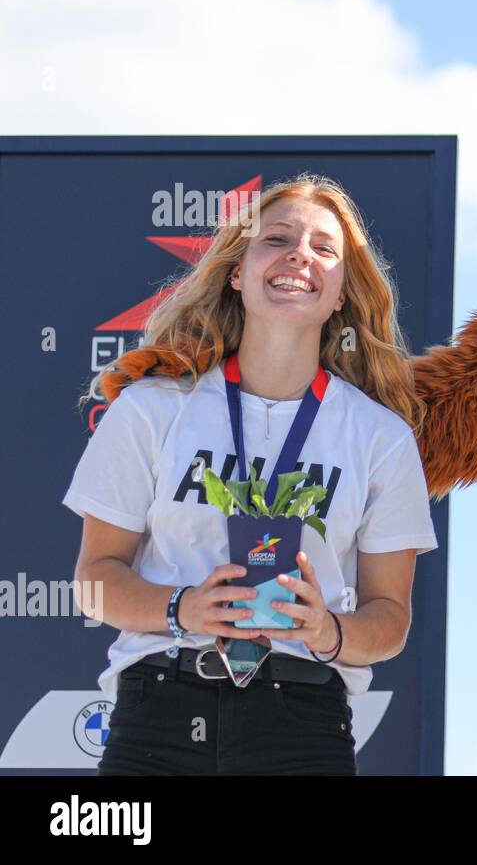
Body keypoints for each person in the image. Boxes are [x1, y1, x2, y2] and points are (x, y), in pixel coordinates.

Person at [65, 174, 438, 775]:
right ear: (237, 272)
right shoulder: (152, 408)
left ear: (340, 291)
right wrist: (182, 608)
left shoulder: (381, 438)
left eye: (324, 248)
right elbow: (92, 580)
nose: (299, 255)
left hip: (302, 719)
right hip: (158, 710)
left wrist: (326, 630)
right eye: (278, 238)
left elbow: (389, 620)